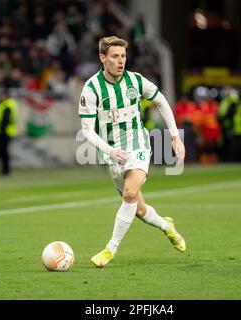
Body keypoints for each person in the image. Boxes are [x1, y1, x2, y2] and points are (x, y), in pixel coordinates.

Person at [78, 36, 186, 268]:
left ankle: (110, 249)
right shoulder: (91, 88)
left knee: (129, 192)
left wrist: (175, 136)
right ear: (102, 58)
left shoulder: (135, 81)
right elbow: (87, 131)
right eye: (115, 56)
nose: (121, 61)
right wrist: (109, 150)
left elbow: (162, 101)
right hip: (111, 154)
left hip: (138, 145)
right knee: (138, 209)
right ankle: (167, 226)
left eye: (123, 56)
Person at [0, 90, 18, 176]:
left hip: (5, 132)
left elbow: (5, 119)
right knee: (2, 152)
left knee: (4, 152)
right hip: (2, 131)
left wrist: (1, 130)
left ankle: (6, 170)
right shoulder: (3, 104)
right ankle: (4, 170)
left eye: (1, 95)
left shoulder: (7, 105)